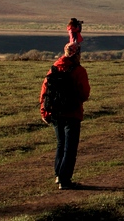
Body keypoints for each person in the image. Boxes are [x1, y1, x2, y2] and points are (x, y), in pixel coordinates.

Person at [39, 42, 90, 190]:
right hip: (72, 112)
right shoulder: (79, 71)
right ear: (77, 54)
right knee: (70, 148)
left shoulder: (53, 69)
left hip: (55, 112)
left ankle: (58, 174)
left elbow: (44, 92)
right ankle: (65, 179)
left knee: (61, 144)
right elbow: (85, 94)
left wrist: (44, 111)